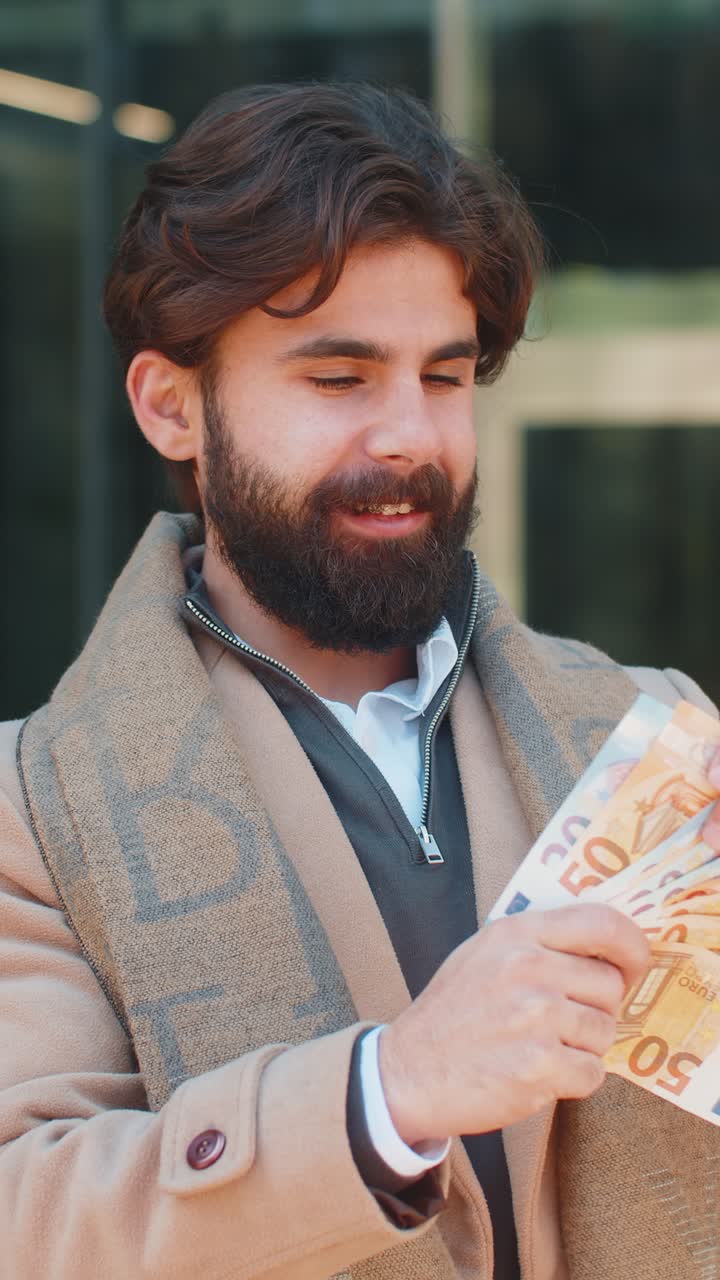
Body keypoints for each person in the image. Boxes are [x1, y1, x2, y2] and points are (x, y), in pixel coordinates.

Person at [1, 81, 718, 1280]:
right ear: (171, 405)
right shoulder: (30, 809)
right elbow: (26, 1214)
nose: (409, 436)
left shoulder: (658, 738)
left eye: (443, 376)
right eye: (338, 379)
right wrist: (392, 1090)